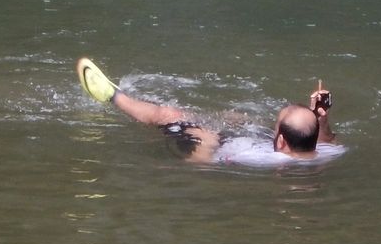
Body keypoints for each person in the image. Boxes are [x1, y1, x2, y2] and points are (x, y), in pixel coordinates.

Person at [76, 57, 344, 166]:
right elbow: (328, 141)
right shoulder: (325, 153)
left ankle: (111, 95)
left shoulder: (258, 159)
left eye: (278, 124)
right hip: (245, 138)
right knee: (239, 117)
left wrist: (206, 142)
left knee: (169, 114)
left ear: (283, 141)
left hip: (218, 145)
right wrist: (321, 118)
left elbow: (202, 165)